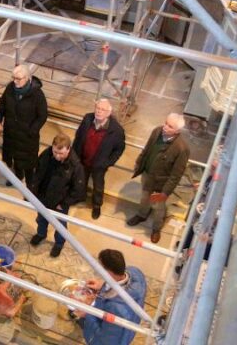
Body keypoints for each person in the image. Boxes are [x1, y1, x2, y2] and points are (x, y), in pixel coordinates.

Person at [127, 113, 190, 243]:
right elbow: (147, 149)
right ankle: (142, 215)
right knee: (144, 198)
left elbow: (176, 175)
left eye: (170, 126)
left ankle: (156, 228)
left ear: (177, 131)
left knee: (159, 207)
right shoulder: (157, 132)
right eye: (166, 123)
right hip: (147, 175)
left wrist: (165, 192)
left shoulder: (181, 149)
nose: (165, 127)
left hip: (161, 184)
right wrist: (139, 163)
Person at [28, 132, 85, 258]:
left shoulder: (75, 166)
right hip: (42, 197)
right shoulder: (46, 155)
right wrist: (33, 191)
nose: (57, 156)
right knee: (41, 219)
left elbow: (78, 190)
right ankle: (41, 234)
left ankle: (59, 244)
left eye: (61, 153)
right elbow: (37, 172)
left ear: (68, 149)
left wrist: (64, 204)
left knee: (60, 226)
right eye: (55, 152)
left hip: (59, 203)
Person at [0, 65, 48, 188]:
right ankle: (18, 177)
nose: (15, 81)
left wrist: (32, 130)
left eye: (18, 79)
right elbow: (2, 104)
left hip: (27, 137)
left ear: (28, 78)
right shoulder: (10, 88)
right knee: (14, 158)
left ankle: (30, 187)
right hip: (11, 133)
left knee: (28, 164)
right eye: (13, 78)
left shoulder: (37, 94)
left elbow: (43, 115)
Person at [72, 99, 126, 220]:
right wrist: (75, 154)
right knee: (81, 180)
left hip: (99, 165)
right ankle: (80, 197)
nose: (99, 111)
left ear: (108, 113)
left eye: (103, 109)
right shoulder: (87, 119)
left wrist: (108, 162)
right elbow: (78, 135)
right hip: (83, 159)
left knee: (98, 185)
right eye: (97, 108)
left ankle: (96, 206)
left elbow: (119, 149)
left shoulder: (116, 130)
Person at [79, 249, 146, 345]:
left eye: (100, 267)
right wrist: (103, 285)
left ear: (108, 272)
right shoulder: (135, 273)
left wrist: (87, 314)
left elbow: (106, 341)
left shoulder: (116, 310)